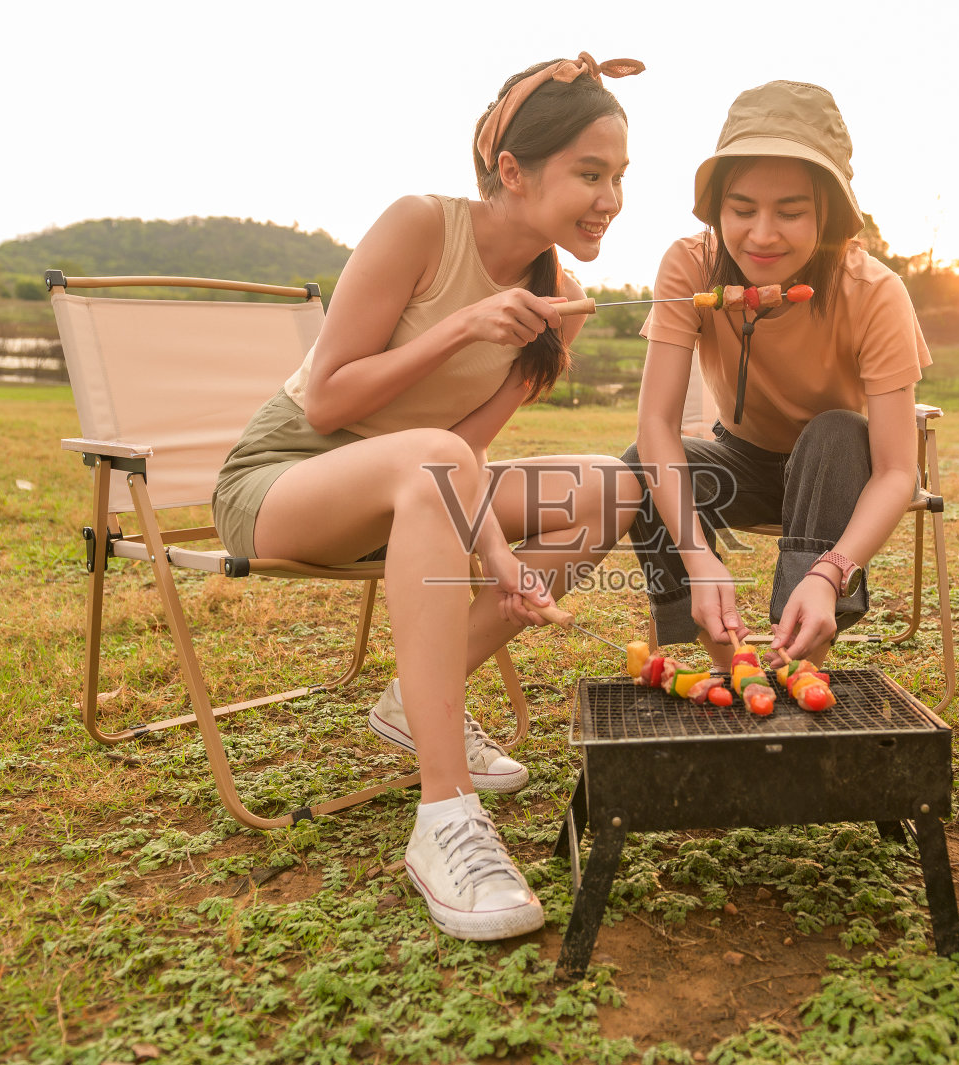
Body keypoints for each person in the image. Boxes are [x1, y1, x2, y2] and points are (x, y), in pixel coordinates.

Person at [212, 54, 645, 941]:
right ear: (514, 171)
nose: (610, 199)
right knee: (431, 460)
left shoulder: (551, 297)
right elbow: (329, 397)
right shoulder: (420, 225)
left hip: (422, 490)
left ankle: (417, 702)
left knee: (613, 485)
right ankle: (442, 816)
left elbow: (464, 457)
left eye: (621, 178)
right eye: (590, 174)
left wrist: (493, 533)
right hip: (288, 477)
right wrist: (462, 325)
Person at [623, 80, 930, 672]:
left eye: (791, 212)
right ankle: (725, 658)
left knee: (837, 430)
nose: (761, 235)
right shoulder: (689, 265)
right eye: (741, 210)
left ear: (831, 218)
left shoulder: (877, 292)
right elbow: (657, 424)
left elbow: (895, 470)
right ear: (717, 208)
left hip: (836, 471)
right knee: (642, 459)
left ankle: (802, 651)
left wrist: (832, 572)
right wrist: (697, 558)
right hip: (742, 460)